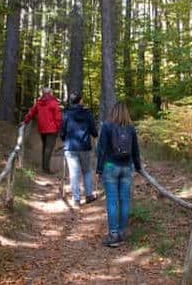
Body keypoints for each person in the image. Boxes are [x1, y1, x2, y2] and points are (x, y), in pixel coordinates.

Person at [96, 101, 142, 248]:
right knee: (125, 200)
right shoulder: (130, 128)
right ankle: (122, 233)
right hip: (127, 168)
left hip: (110, 166)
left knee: (111, 201)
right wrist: (138, 167)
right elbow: (135, 150)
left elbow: (101, 150)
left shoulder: (107, 126)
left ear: (113, 111)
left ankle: (113, 234)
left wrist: (99, 169)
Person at [60, 92, 98, 207]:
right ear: (80, 101)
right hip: (84, 147)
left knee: (74, 173)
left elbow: (62, 131)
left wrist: (64, 139)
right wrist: (94, 135)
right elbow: (94, 131)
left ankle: (76, 199)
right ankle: (89, 195)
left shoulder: (67, 114)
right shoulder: (87, 114)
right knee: (86, 171)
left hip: (70, 147)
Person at [24, 87, 62, 174]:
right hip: (52, 129)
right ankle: (46, 169)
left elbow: (31, 112)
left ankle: (44, 167)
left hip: (42, 128)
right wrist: (59, 128)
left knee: (45, 147)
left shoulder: (38, 103)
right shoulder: (53, 103)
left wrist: (25, 121)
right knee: (48, 148)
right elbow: (58, 117)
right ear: (50, 93)